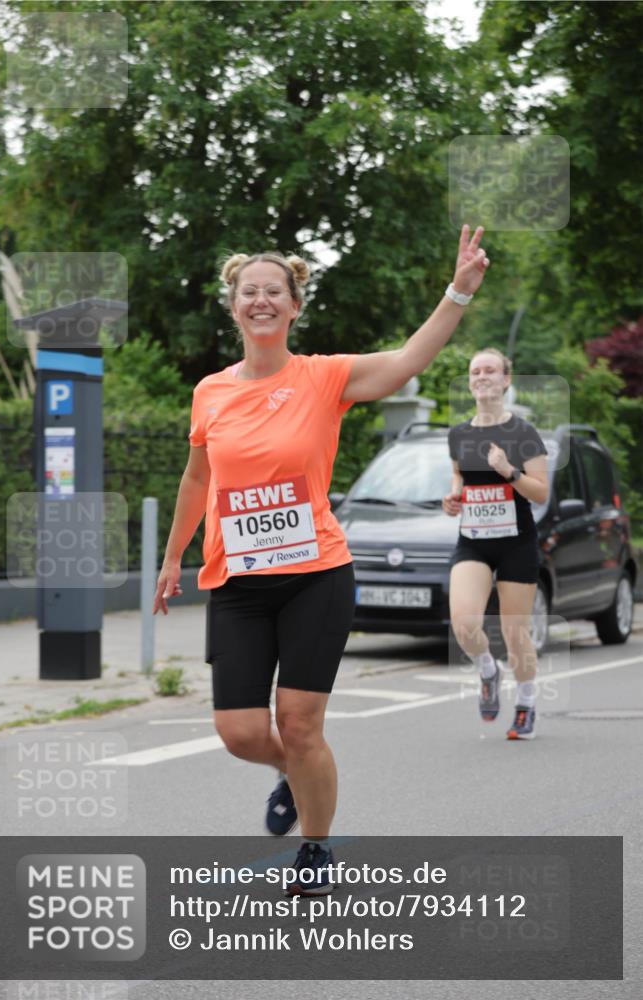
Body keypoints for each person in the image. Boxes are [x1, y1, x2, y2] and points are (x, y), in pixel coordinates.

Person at [153, 225, 489, 894]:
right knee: (241, 732)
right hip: (239, 582)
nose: (260, 301)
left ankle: (314, 846)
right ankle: (292, 774)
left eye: (273, 291)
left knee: (300, 726)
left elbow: (404, 362)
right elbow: (197, 479)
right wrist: (172, 558)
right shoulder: (210, 393)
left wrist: (457, 292)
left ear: (293, 304)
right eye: (248, 291)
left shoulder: (322, 376)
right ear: (233, 305)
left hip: (315, 577)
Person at [442, 348, 549, 739]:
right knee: (465, 623)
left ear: (506, 380)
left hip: (516, 541)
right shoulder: (459, 434)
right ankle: (488, 669)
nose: (482, 376)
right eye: (476, 371)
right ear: (470, 381)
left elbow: (539, 492)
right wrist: (452, 497)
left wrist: (509, 471)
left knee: (515, 631)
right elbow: (458, 478)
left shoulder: (523, 433)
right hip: (473, 541)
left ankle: (525, 702)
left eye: (490, 370)